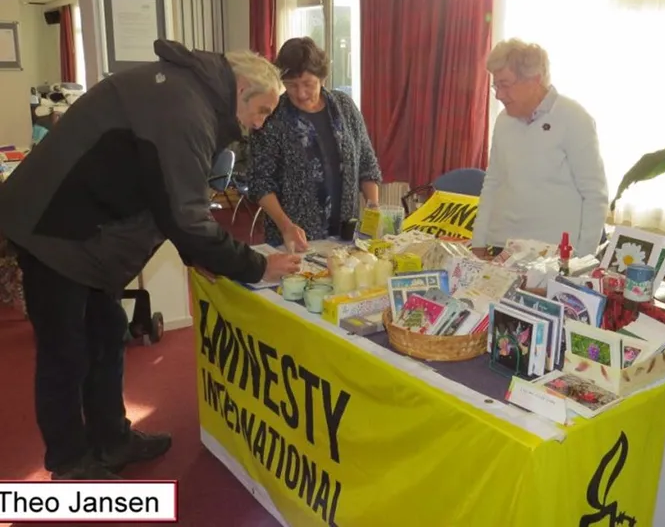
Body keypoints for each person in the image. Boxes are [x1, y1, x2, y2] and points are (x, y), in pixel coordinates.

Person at [0, 40, 302, 480]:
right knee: (66, 353)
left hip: (87, 228)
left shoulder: (189, 95)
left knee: (106, 336)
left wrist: (193, 251)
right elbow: (186, 215)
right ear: (240, 89)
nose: (258, 125)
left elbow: (165, 194)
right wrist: (257, 266)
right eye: (261, 111)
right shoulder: (185, 107)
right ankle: (69, 461)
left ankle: (112, 438)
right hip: (51, 228)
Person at [471, 39, 609, 258]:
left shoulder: (574, 119)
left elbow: (595, 195)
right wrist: (478, 242)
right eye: (495, 85)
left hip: (552, 253)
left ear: (534, 80)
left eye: (505, 85)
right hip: (502, 246)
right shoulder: (504, 121)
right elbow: (493, 183)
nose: (498, 95)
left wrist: (583, 260)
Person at [249, 37, 382, 250]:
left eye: (308, 84)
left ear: (322, 78)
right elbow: (260, 183)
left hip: (345, 234)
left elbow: (367, 163)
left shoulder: (344, 107)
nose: (300, 94)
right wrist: (286, 226)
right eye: (291, 85)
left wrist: (373, 206)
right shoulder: (273, 116)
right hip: (293, 239)